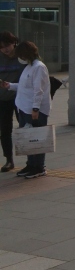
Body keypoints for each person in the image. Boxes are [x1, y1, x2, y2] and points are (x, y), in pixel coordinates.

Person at [0, 41, 51, 179]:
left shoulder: (39, 67)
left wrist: (35, 108)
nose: (19, 58)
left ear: (25, 54)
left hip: (33, 110)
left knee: (37, 138)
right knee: (29, 138)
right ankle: (31, 164)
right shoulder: (29, 67)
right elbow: (24, 86)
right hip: (24, 108)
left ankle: (39, 166)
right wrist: (9, 85)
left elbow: (38, 90)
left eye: (20, 55)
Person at [0, 32, 22, 173]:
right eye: (1, 47)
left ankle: (32, 160)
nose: (5, 49)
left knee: (25, 127)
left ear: (14, 42)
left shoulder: (22, 56)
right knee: (5, 129)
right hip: (3, 98)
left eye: (7, 45)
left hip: (20, 98)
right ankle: (9, 160)